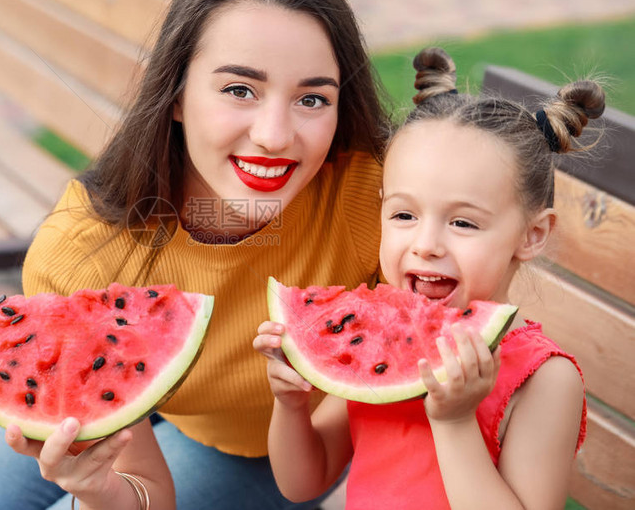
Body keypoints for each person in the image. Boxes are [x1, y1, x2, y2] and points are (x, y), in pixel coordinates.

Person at [0, 0, 390, 510]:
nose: (273, 134)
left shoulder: (378, 203)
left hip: (262, 451)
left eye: (312, 98)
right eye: (239, 90)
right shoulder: (82, 253)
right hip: (142, 398)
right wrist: (98, 489)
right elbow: (144, 491)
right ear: (176, 98)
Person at [255, 46, 596, 509]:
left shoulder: (545, 378)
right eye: (403, 214)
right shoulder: (377, 337)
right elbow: (303, 483)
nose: (426, 244)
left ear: (532, 235)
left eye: (463, 223)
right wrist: (291, 406)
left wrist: (455, 423)